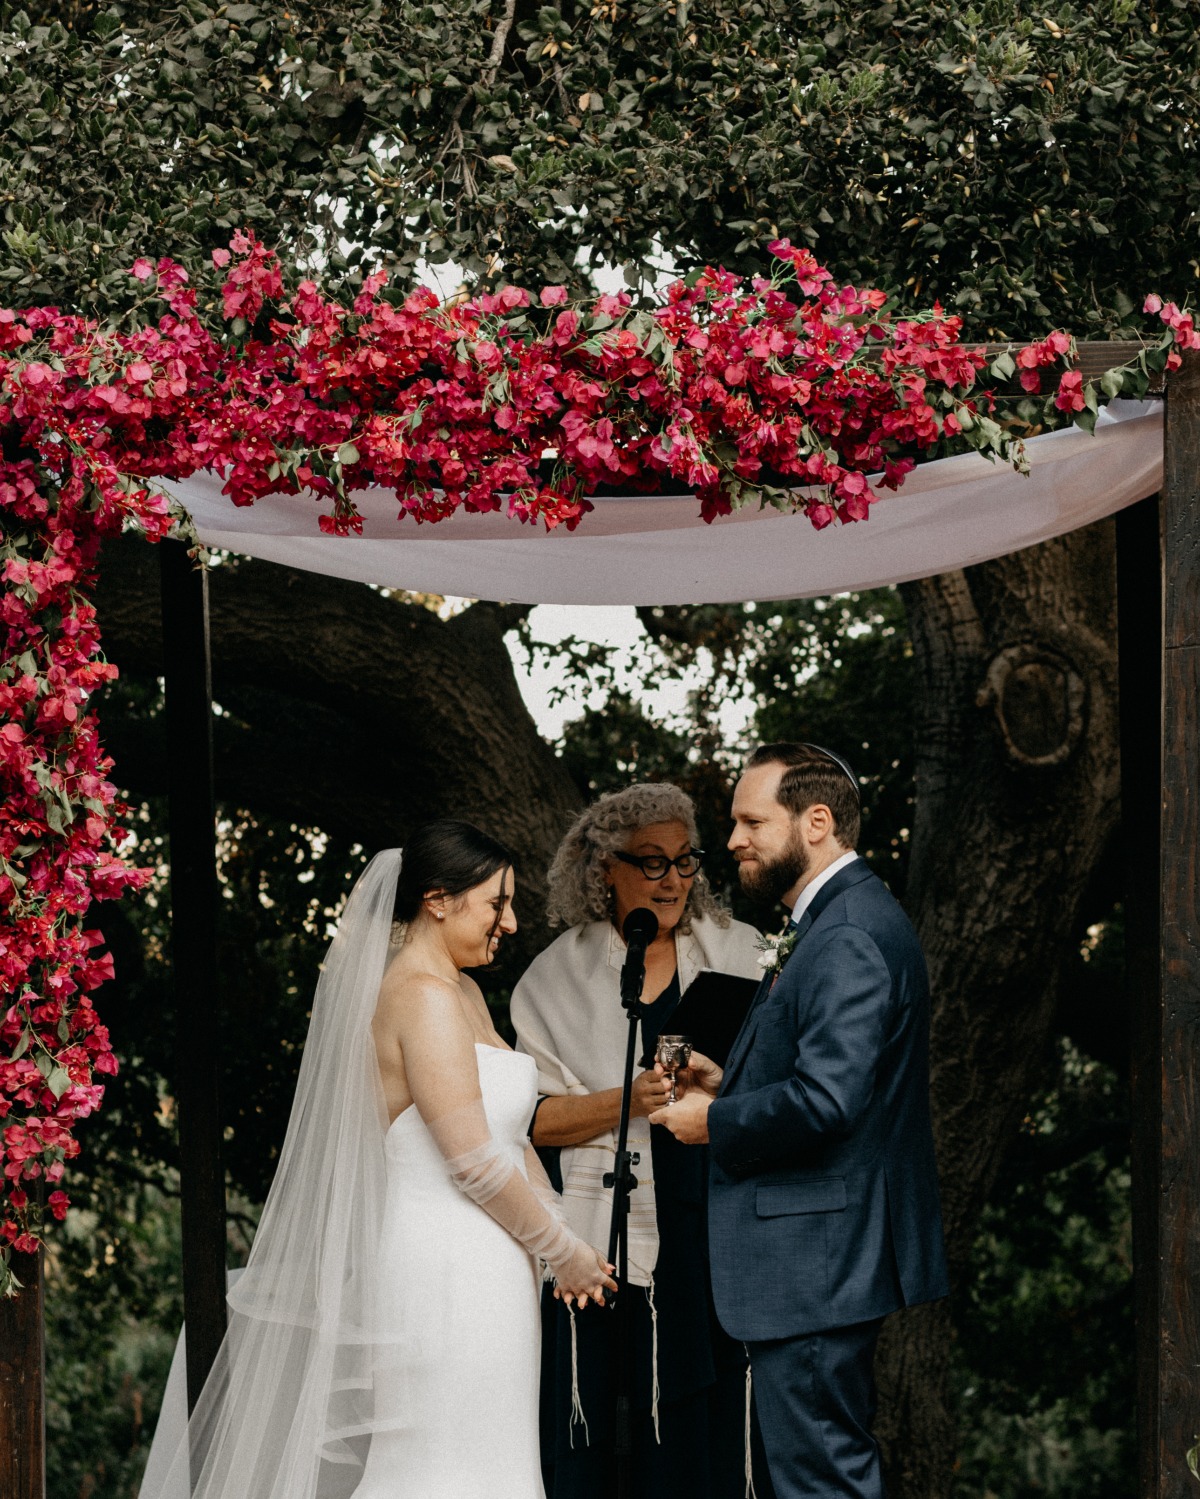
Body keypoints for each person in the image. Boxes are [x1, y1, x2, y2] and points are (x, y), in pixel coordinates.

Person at [140, 821, 612, 1499]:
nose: (508, 923)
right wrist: (560, 1248)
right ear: (438, 899)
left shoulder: (466, 992)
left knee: (492, 1456)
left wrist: (563, 1242)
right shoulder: (419, 994)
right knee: (438, 1461)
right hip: (443, 1267)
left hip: (494, 1264)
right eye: (496, 903)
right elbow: (473, 1159)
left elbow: (509, 1136)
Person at [651, 744, 949, 1499]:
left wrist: (716, 1119)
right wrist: (733, 1079)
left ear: (817, 821)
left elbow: (829, 1100)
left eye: (752, 820)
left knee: (821, 1482)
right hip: (819, 1261)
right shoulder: (837, 919)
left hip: (817, 1262)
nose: (733, 840)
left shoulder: (845, 933)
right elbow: (834, 1076)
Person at [510, 783, 772, 1499]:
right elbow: (529, 1118)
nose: (673, 880)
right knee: (607, 1429)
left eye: (685, 861)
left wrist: (717, 1089)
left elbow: (784, 1087)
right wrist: (624, 1100)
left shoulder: (745, 954)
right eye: (652, 862)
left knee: (708, 1435)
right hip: (606, 1237)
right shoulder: (552, 976)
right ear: (605, 869)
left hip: (712, 1222)